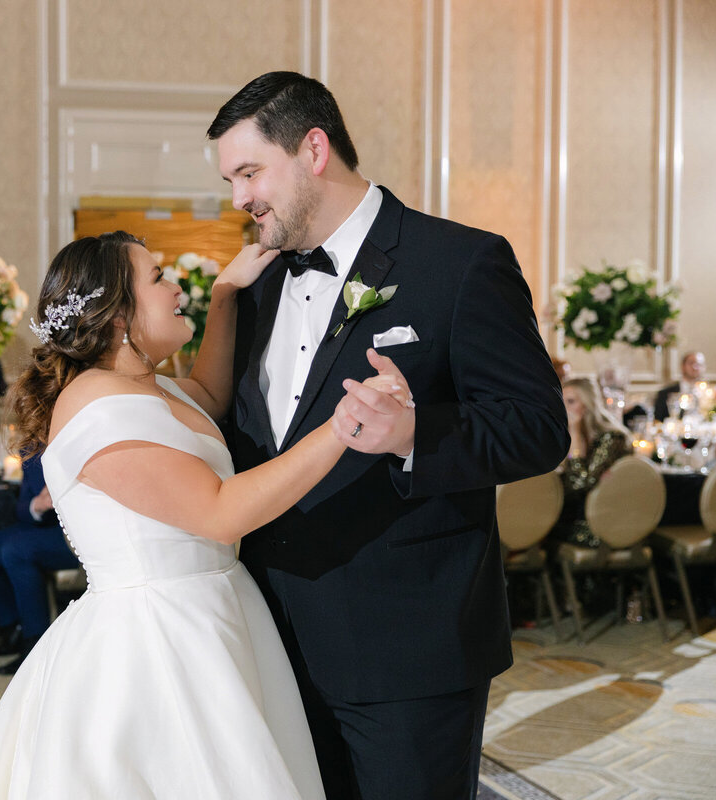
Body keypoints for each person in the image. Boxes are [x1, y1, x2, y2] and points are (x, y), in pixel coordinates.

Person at [208, 71, 569, 799]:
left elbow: (539, 428)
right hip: (273, 646)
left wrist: (414, 434)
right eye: (232, 180)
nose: (240, 198)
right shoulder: (257, 286)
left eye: (250, 172)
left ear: (314, 149)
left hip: (408, 651)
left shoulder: (461, 263)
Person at [0, 231, 408, 799]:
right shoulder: (93, 404)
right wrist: (344, 427)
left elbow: (208, 396)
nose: (174, 288)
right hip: (156, 636)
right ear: (118, 315)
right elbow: (219, 512)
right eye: (157, 278)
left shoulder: (146, 387)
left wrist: (224, 297)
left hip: (214, 609)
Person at [0, 450, 79, 675]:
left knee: (16, 551)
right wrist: (37, 505)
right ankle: (14, 628)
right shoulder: (34, 445)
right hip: (39, 527)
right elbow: (22, 506)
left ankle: (35, 644)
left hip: (75, 534)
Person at [551, 377, 633, 549]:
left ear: (588, 405)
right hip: (572, 512)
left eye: (571, 402)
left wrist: (575, 436)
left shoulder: (610, 437)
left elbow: (580, 483)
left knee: (535, 527)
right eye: (562, 402)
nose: (565, 409)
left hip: (598, 524)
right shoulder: (562, 434)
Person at [653, 350, 706, 421]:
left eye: (699, 364)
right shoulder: (665, 394)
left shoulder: (709, 394)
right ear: (683, 366)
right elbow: (658, 421)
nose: (695, 367)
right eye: (691, 363)